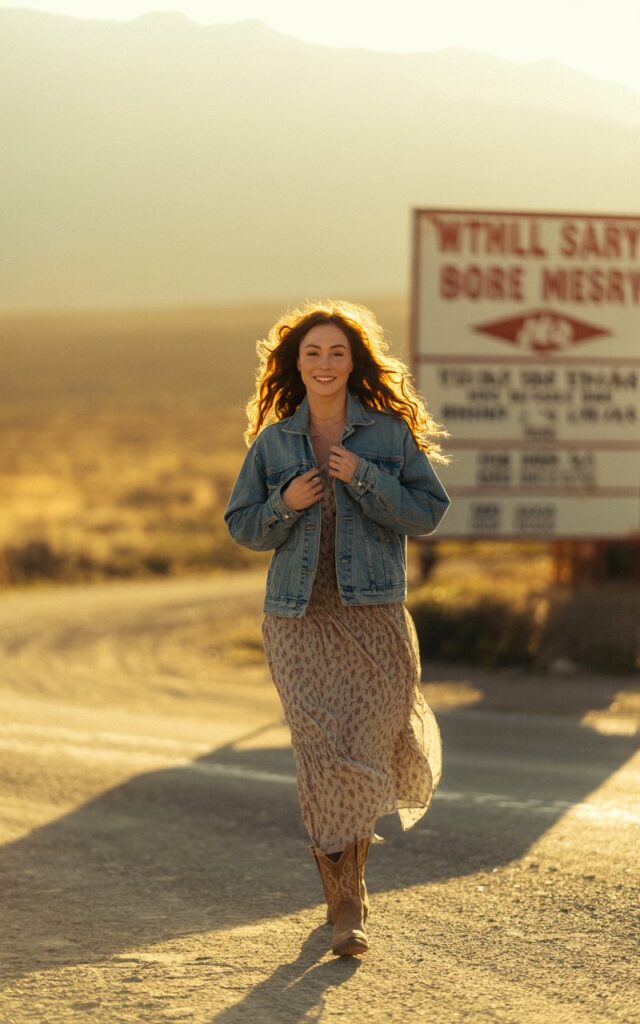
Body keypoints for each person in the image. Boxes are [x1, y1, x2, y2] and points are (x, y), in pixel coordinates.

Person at [224, 299, 451, 957]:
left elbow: (427, 513)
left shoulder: (386, 436)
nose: (325, 364)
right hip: (298, 618)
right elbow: (242, 526)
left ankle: (351, 885)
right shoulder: (275, 443)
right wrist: (284, 504)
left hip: (374, 617)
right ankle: (344, 907)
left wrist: (368, 478)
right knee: (320, 751)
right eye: (313, 353)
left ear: (355, 364)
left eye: (337, 352)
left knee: (366, 747)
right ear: (297, 365)